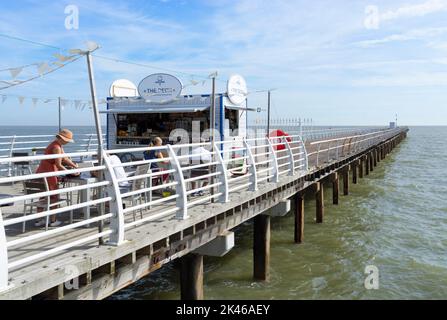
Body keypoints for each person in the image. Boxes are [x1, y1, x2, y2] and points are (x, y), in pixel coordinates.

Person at [34, 129, 78, 227]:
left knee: (42, 196)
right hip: (49, 172)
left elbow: (65, 158)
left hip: (42, 170)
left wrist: (74, 166)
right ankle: (53, 221)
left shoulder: (55, 144)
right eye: (67, 141)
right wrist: (70, 172)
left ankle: (39, 220)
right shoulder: (57, 147)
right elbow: (58, 164)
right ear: (63, 139)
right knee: (54, 197)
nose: (67, 143)